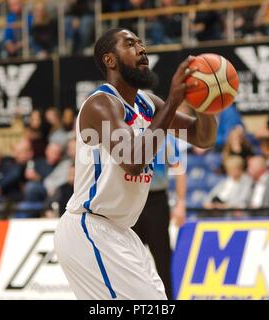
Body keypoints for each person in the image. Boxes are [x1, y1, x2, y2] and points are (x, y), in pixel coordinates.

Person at [54, 28, 218, 300]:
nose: (142, 49)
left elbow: (202, 137)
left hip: (121, 231)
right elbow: (132, 161)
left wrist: (206, 101)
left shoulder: (148, 103)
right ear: (110, 60)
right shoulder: (101, 104)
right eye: (130, 44)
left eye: (142, 43)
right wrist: (175, 99)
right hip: (90, 227)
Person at [132, 134, 187, 299]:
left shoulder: (165, 138)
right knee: (130, 260)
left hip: (156, 201)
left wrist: (181, 203)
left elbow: (179, 171)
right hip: (132, 202)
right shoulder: (128, 133)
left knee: (162, 259)